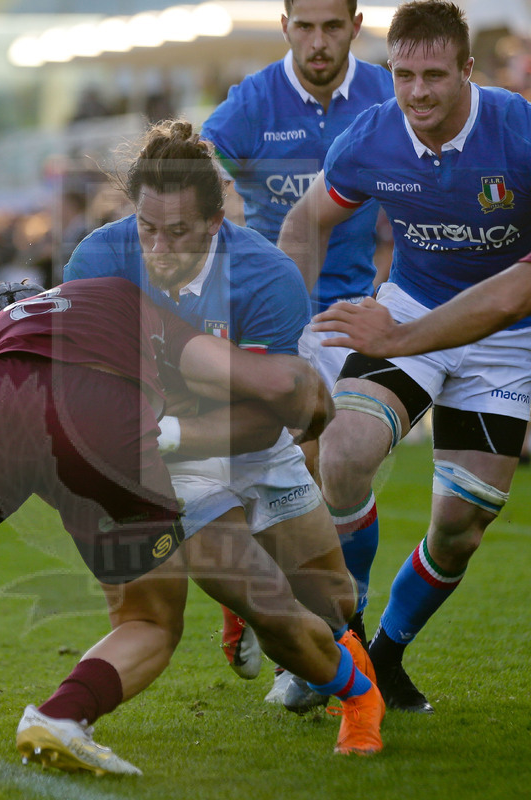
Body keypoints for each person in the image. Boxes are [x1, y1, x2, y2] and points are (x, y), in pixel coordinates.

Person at [0, 276, 383, 778]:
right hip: (105, 420)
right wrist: (308, 401)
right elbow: (267, 383)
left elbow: (26, 434)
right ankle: (63, 717)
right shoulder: (115, 295)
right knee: (150, 621)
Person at [63, 119, 384, 731]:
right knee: (267, 600)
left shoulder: (267, 277)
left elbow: (265, 429)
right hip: (168, 466)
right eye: (147, 228)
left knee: (334, 603)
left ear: (215, 224)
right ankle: (359, 706)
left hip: (243, 444)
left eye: (178, 233)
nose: (158, 249)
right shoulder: (98, 259)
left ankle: (304, 647)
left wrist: (167, 427)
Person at [278, 0, 531, 713]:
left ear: (468, 69)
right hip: (407, 309)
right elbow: (308, 219)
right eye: (403, 75)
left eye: (434, 75)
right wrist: (278, 324)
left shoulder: (530, 137)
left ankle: (387, 655)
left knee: (460, 530)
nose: (418, 93)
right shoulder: (371, 137)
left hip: (506, 337)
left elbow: (517, 294)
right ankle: (349, 641)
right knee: (341, 453)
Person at [200, 0, 394, 697]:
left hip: (353, 316)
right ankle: (310, 638)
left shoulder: (383, 93)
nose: (317, 43)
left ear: (356, 24)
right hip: (267, 319)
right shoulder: (252, 102)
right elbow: (197, 161)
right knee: (289, 474)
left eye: (331, 27)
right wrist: (222, 194)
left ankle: (321, 635)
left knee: (328, 465)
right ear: (284, 25)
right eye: (304, 27)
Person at [313, 237, 531, 356]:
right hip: (412, 300)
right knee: (346, 438)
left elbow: (509, 302)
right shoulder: (366, 147)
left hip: (507, 331)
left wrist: (396, 338)